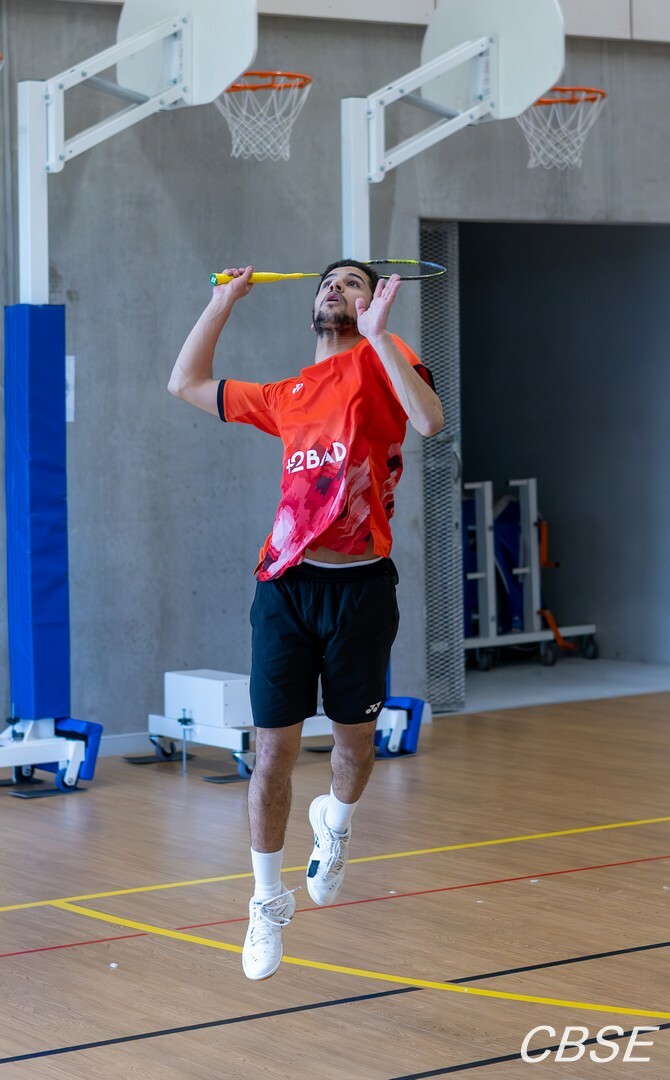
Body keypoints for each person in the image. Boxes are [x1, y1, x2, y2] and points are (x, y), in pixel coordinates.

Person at [168, 260, 443, 981]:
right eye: (329, 282)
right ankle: (266, 902)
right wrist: (223, 301)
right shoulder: (287, 394)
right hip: (287, 587)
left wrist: (379, 336)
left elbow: (429, 421)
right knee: (272, 755)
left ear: (371, 303)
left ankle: (337, 824)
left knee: (355, 747)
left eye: (353, 283)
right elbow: (186, 383)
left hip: (361, 589)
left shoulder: (385, 360)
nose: (335, 289)